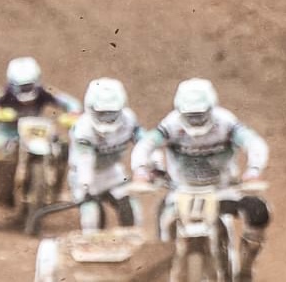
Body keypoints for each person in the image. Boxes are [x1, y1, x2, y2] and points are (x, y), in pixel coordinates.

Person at [135, 78, 271, 282]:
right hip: (181, 190)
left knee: (258, 210)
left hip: (222, 189)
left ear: (211, 108)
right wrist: (140, 171)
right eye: (191, 116)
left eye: (200, 115)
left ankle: (246, 266)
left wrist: (253, 170)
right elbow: (145, 144)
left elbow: (254, 143)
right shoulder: (171, 124)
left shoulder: (226, 122)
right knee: (163, 226)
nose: (196, 121)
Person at [65, 77, 140, 232]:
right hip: (84, 176)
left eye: (110, 113)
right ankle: (91, 250)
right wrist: (86, 186)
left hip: (112, 172)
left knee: (131, 210)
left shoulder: (129, 120)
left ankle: (135, 249)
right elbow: (85, 159)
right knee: (91, 216)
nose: (106, 119)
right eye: (102, 113)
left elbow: (143, 142)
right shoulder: (83, 128)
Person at [0, 56, 79, 154]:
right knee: (8, 156)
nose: (26, 90)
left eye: (29, 86)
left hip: (36, 132)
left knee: (61, 146)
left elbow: (71, 103)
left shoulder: (44, 91)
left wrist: (72, 115)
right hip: (11, 135)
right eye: (22, 87)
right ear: (12, 84)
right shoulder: (4, 93)